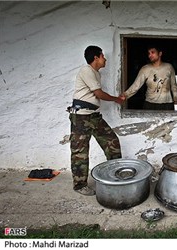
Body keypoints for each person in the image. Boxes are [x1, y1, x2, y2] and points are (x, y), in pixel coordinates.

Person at [68, 45, 125, 196]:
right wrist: (117, 99)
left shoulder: (95, 73)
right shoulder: (86, 70)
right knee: (80, 151)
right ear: (96, 58)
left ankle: (115, 175)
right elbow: (99, 94)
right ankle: (80, 185)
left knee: (111, 142)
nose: (105, 59)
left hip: (93, 116)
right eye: (103, 56)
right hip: (81, 117)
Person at [122, 45, 177, 110]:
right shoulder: (145, 69)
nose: (150, 55)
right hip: (150, 104)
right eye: (149, 53)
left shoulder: (169, 67)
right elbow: (136, 85)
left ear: (160, 53)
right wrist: (125, 95)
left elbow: (173, 85)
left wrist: (176, 101)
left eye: (152, 52)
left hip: (167, 104)